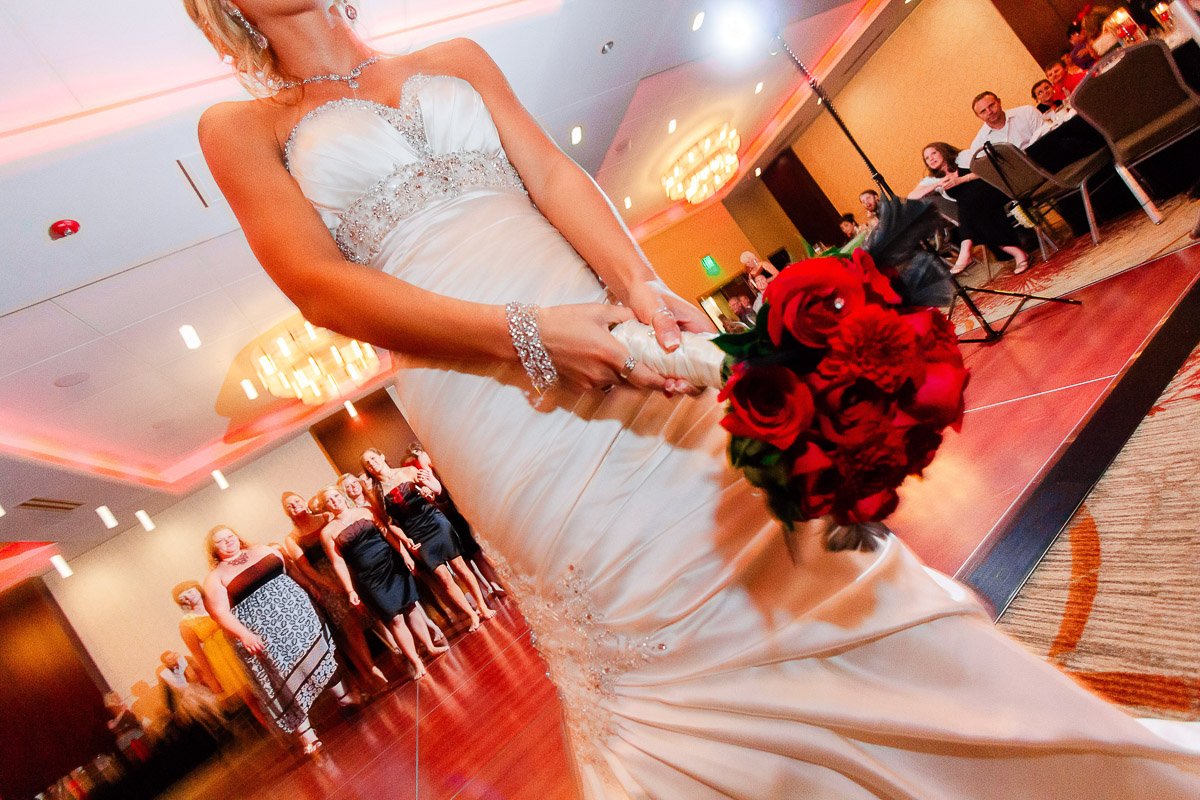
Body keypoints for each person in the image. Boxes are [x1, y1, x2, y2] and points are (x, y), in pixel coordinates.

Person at [187, 2, 1200, 795]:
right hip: (479, 386)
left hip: (604, 319)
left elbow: (549, 172)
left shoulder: (453, 58)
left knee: (779, 527)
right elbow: (321, 287)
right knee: (644, 598)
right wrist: (526, 334)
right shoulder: (241, 128)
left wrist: (635, 285)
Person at [201, 524, 342, 753]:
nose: (228, 541)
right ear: (213, 549)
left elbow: (289, 571)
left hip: (296, 620)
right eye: (221, 541)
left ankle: (344, 697)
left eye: (230, 536)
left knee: (319, 658)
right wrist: (244, 634)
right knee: (285, 681)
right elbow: (220, 613)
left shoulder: (263, 550)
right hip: (263, 635)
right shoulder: (216, 577)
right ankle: (307, 735)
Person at [317, 486, 447, 679]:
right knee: (394, 618)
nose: (334, 501)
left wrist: (404, 554)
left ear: (342, 496)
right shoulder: (328, 532)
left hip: (391, 563)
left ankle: (429, 646)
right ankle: (417, 662)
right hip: (368, 577)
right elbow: (338, 562)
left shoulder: (365, 511)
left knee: (410, 607)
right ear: (326, 506)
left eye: (336, 496)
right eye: (329, 500)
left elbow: (386, 533)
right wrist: (350, 590)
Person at [361, 448, 494, 630]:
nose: (372, 464)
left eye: (373, 458)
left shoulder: (408, 471)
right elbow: (390, 523)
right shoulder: (376, 493)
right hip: (415, 533)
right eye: (367, 463)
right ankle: (472, 615)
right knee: (443, 577)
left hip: (435, 521)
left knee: (460, 566)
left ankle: (482, 606)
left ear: (382, 456)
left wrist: (428, 492)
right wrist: (406, 540)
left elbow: (437, 491)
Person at [279, 490, 388, 691]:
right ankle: (371, 670)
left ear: (304, 500)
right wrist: (328, 584)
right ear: (288, 514)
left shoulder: (327, 517)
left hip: (349, 567)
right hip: (325, 578)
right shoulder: (292, 538)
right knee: (350, 625)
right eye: (289, 507)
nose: (295, 506)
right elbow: (305, 568)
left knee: (372, 610)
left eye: (296, 501)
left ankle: (396, 648)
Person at [909, 142, 1031, 275]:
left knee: (969, 199)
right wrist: (937, 184)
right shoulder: (933, 180)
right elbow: (912, 197)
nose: (931, 159)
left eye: (934, 153)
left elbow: (989, 170)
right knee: (972, 208)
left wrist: (962, 180)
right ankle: (1018, 253)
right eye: (927, 158)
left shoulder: (962, 157)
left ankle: (966, 249)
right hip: (981, 209)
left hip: (995, 192)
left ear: (943, 151)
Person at [172, 580, 254, 705]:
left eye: (189, 591)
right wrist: (211, 679)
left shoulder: (218, 603)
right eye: (183, 596)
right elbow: (197, 653)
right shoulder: (186, 623)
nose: (188, 596)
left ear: (197, 589)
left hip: (241, 646)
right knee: (250, 698)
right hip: (223, 660)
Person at [960, 91, 1048, 168]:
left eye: (991, 105)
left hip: (1045, 159)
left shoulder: (1027, 112)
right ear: (978, 116)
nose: (989, 112)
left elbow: (1047, 137)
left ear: (999, 102)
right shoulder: (978, 144)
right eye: (983, 111)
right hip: (1020, 179)